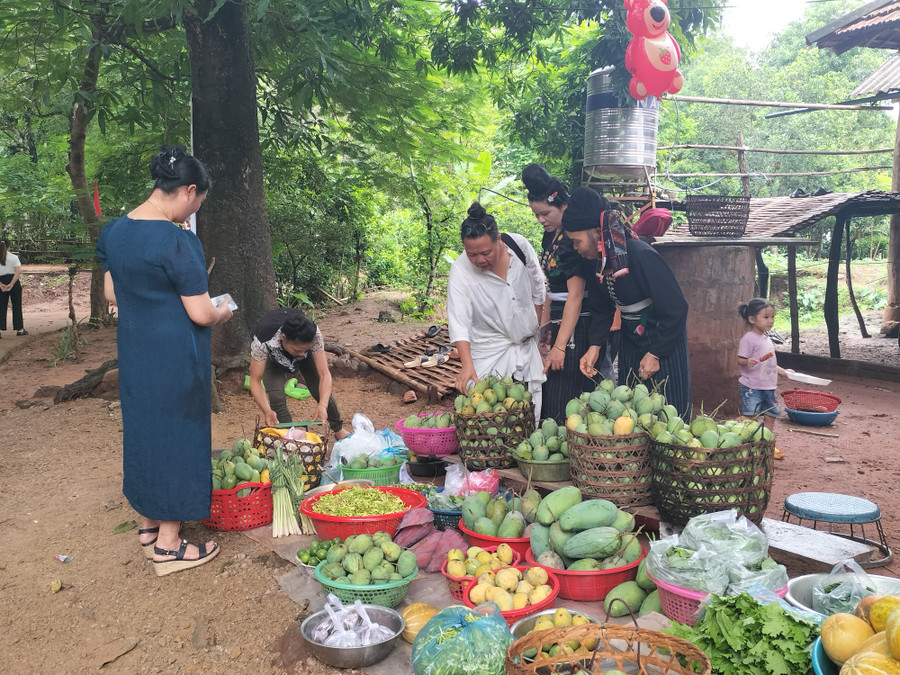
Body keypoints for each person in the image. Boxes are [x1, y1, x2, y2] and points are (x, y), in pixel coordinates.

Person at [97, 144, 232, 576]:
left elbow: (112, 294)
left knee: (144, 434)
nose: (194, 211)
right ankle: (169, 546)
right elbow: (200, 313)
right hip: (176, 358)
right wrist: (223, 311)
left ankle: (148, 525)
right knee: (179, 438)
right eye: (198, 201)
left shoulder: (115, 232)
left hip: (136, 354)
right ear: (189, 190)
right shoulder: (179, 241)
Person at [562, 186, 692, 418]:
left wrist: (656, 354)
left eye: (577, 241)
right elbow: (602, 308)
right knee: (631, 409)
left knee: (668, 411)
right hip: (631, 339)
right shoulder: (596, 263)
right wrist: (594, 346)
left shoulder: (641, 255)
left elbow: (677, 308)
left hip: (663, 340)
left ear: (596, 232)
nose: (575, 248)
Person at [521, 164, 611, 423]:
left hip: (578, 325)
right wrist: (544, 333)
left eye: (545, 213)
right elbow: (551, 288)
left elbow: (576, 295)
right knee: (552, 395)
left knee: (568, 400)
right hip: (559, 323)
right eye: (536, 215)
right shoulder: (549, 237)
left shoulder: (572, 241)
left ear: (563, 206)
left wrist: (560, 346)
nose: (541, 220)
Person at [447, 202, 546, 418]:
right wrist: (467, 366)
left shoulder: (518, 245)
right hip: (489, 351)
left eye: (486, 252)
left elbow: (537, 283)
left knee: (527, 412)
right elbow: (459, 322)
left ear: (499, 240)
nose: (479, 260)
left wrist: (535, 322)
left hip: (526, 347)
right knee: (487, 418)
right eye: (472, 254)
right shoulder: (460, 270)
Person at [248, 308, 349, 439]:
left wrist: (322, 405)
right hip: (273, 358)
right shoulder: (263, 340)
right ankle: (290, 437)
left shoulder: (313, 334)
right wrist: (267, 411)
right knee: (276, 397)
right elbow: (255, 380)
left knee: (318, 387)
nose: (301, 354)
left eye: (305, 349)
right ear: (283, 338)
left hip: (304, 352)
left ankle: (339, 429)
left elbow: (324, 374)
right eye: (297, 350)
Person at [737, 297, 791, 434]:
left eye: (772, 317)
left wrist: (784, 371)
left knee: (771, 414)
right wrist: (746, 362)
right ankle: (745, 436)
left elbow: (769, 363)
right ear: (752, 319)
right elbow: (740, 360)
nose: (770, 321)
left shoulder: (767, 339)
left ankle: (766, 439)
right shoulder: (748, 339)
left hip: (768, 387)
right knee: (751, 416)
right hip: (752, 387)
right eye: (766, 317)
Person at [0, 240, 27, 337]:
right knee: (16, 305)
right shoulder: (14, 257)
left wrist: (1, 285)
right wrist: (11, 284)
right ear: (9, 247)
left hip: (1, 281)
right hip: (14, 281)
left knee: (1, 306)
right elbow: (18, 271)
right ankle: (19, 329)